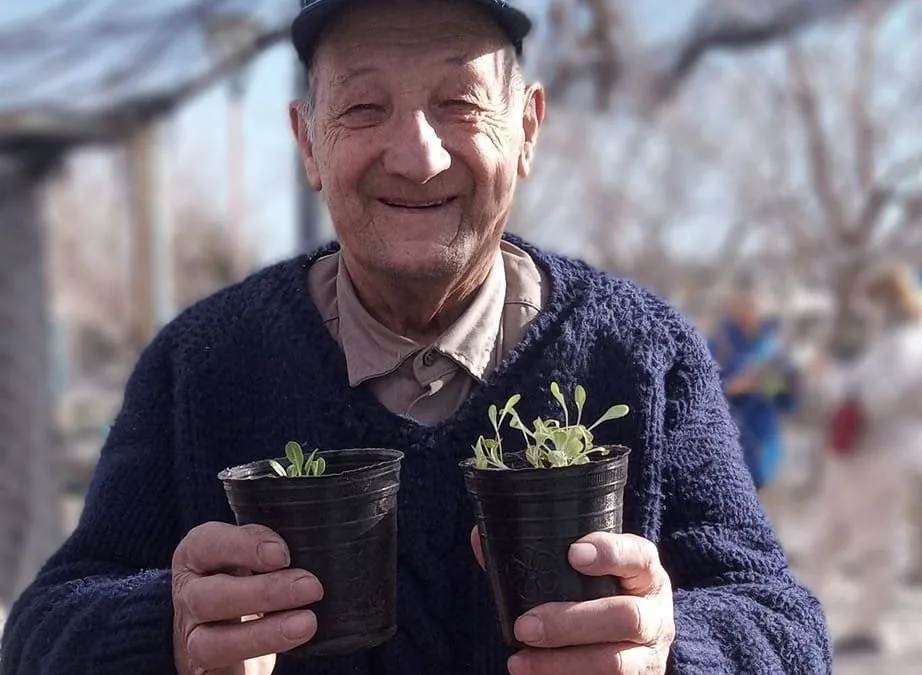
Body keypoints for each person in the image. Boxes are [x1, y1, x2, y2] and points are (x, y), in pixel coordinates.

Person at [0, 2, 831, 674]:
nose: (419, 155)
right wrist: (167, 627)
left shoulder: (644, 356)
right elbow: (41, 629)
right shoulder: (201, 364)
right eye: (365, 107)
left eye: (459, 103)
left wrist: (671, 646)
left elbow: (788, 628)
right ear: (307, 144)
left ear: (528, 129)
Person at [805, 262, 922, 655]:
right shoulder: (889, 342)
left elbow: (875, 399)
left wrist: (835, 380)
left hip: (880, 457)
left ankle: (868, 627)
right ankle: (799, 611)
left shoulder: (906, 344)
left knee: (876, 545)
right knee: (826, 536)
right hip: (856, 459)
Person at [708, 275, 799, 493]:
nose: (750, 311)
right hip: (727, 443)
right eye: (744, 304)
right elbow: (702, 390)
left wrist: (773, 385)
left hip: (763, 443)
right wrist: (732, 387)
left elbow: (789, 401)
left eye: (755, 305)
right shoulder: (719, 343)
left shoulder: (774, 346)